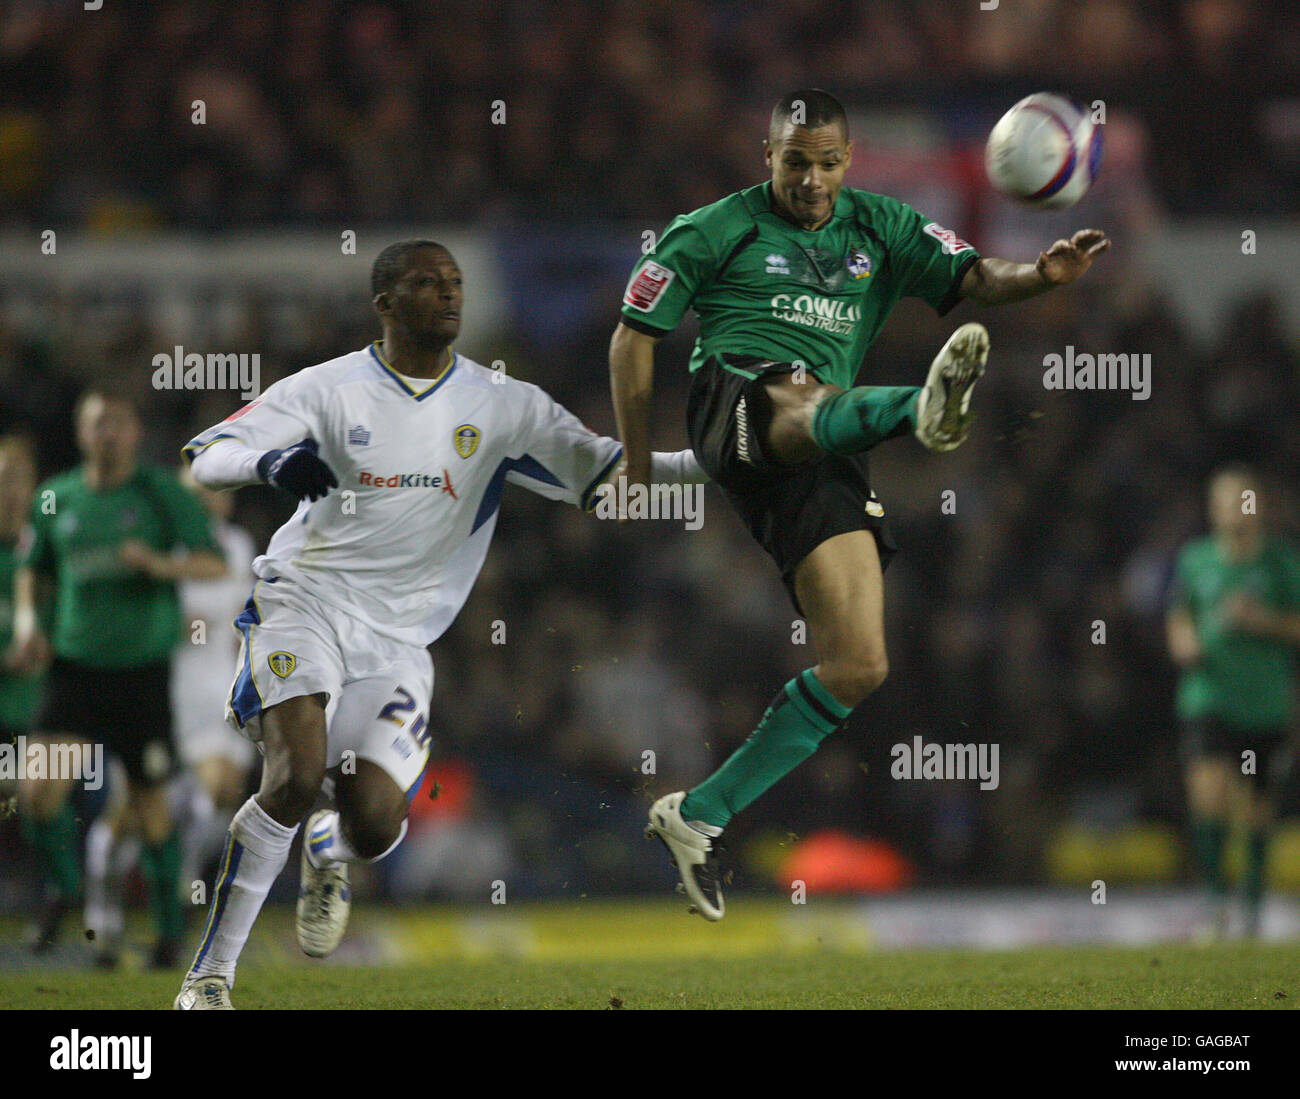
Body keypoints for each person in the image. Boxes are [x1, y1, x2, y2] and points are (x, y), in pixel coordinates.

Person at [611, 88, 1109, 919]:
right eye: (794, 160)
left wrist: (1042, 276)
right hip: (737, 401)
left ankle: (697, 814)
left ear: (850, 159)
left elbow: (977, 276)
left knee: (858, 661)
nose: (810, 178)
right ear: (766, 155)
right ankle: (916, 410)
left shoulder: (881, 226)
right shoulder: (712, 228)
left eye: (827, 162)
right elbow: (635, 335)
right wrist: (632, 461)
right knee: (800, 394)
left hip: (821, 446)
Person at [174, 239, 704, 1009]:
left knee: (375, 819)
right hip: (304, 603)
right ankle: (209, 979)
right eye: (426, 283)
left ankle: (332, 847)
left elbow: (611, 466)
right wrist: (268, 465)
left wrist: (721, 461)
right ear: (384, 302)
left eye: (454, 283)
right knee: (292, 775)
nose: (447, 295)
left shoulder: (503, 402)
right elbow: (206, 457)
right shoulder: (329, 389)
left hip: (398, 643)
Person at [11, 391, 227, 964]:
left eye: (119, 422)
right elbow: (34, 570)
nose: (109, 433)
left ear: (134, 433)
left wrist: (161, 566)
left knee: (151, 811)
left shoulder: (160, 494)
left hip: (141, 676)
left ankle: (167, 933)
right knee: (35, 791)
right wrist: (30, 622)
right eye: (97, 423)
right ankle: (67, 889)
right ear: (82, 434)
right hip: (75, 669)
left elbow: (214, 561)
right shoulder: (56, 498)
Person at [1166, 465, 1300, 938]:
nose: (1233, 508)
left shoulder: (1282, 564)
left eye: (1242, 499)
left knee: (1257, 809)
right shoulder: (1195, 560)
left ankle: (1253, 908)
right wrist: (1183, 641)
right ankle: (1215, 903)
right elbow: (1179, 614)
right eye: (1223, 500)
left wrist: (1262, 620)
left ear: (1258, 506)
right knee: (1208, 793)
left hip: (1263, 702)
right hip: (1207, 695)